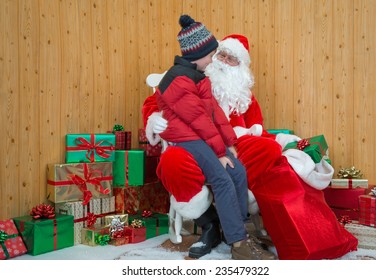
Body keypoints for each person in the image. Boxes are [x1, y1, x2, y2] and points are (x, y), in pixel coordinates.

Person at [143, 33, 358, 259]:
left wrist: (272, 140)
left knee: (267, 150)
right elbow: (154, 102)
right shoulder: (188, 77)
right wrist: (153, 117)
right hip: (191, 146)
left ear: (241, 66)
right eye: (221, 55)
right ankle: (210, 225)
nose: (224, 62)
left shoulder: (244, 97)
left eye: (231, 59)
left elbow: (259, 132)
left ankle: (236, 230)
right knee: (172, 161)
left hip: (231, 148)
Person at [149, 15, 275, 260]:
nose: (215, 59)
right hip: (184, 138)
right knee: (222, 179)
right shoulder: (178, 79)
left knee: (236, 170)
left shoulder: (200, 75)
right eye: (212, 54)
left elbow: (215, 113)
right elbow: (199, 120)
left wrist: (229, 144)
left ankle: (238, 231)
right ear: (198, 54)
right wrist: (219, 153)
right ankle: (239, 245)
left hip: (200, 137)